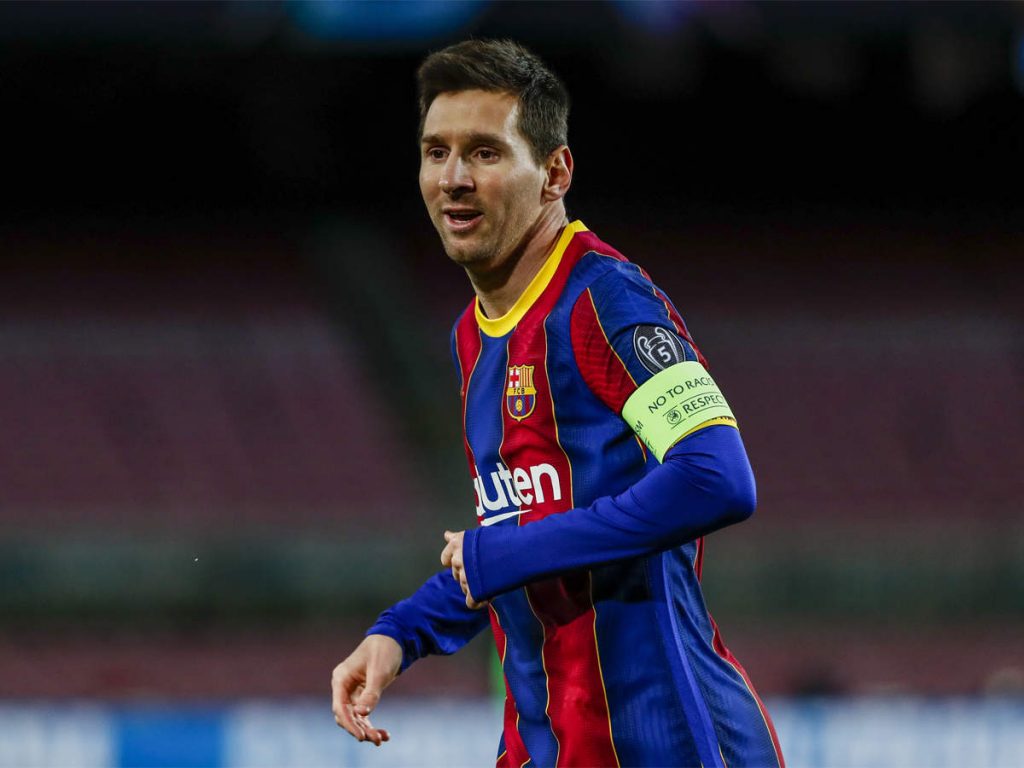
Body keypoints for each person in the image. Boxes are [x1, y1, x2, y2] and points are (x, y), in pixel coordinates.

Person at [331, 39, 784, 767]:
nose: (453, 179)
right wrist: (403, 630)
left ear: (554, 173)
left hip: (662, 743)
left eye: (484, 153)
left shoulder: (605, 300)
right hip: (545, 744)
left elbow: (716, 477)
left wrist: (504, 552)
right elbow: (513, 536)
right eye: (436, 152)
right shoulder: (473, 337)